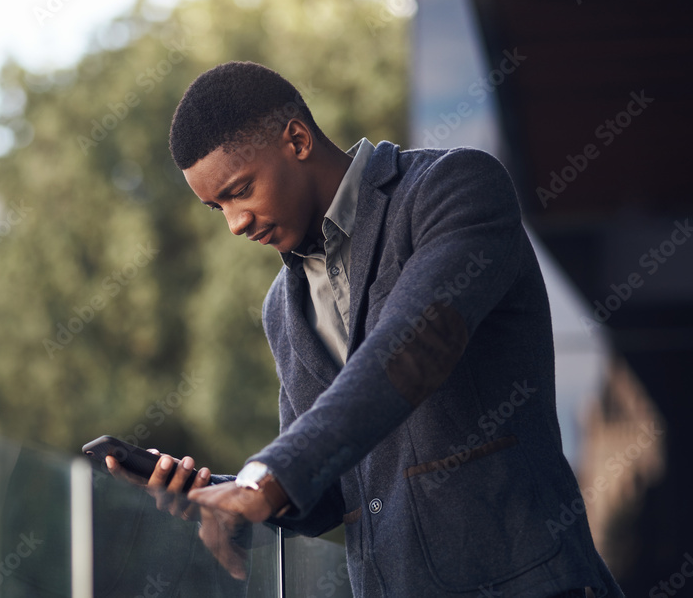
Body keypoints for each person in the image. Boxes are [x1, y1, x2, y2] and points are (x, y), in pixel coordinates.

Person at [110, 61, 623, 597]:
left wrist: (267, 477)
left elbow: (412, 349)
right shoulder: (282, 308)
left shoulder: (455, 188)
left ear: (298, 139)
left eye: (240, 190)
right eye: (217, 206)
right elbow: (329, 492)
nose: (234, 222)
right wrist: (220, 492)